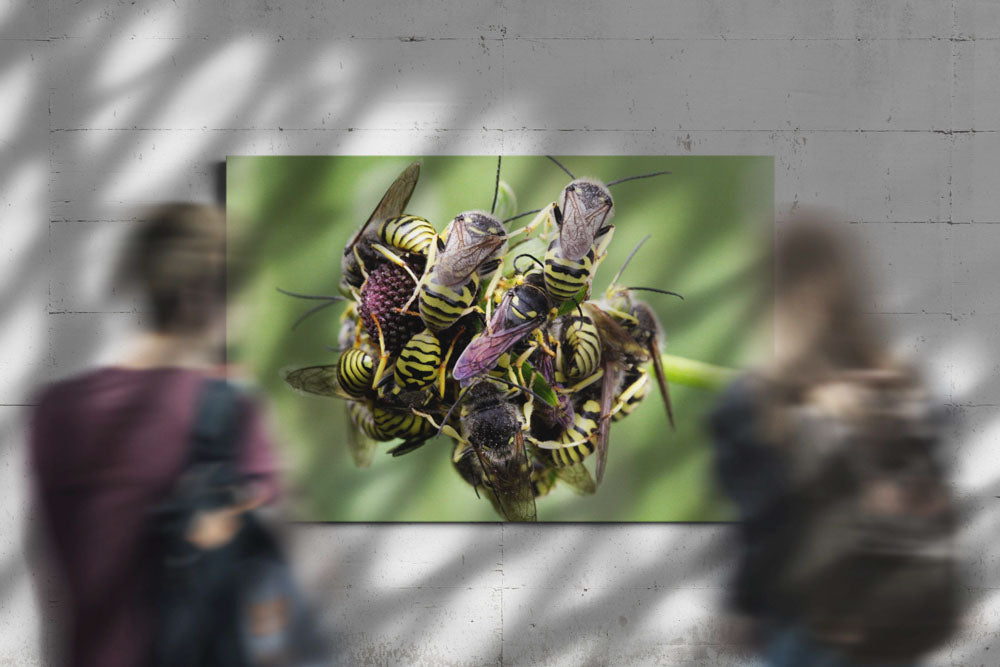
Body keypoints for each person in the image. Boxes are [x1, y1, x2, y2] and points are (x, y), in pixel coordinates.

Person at [30, 204, 279, 667]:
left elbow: (56, 581)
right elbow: (260, 585)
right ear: (203, 297)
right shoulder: (228, 413)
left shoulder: (55, 411)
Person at [710, 214, 958, 666]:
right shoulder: (904, 388)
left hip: (806, 625)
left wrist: (743, 606)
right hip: (893, 619)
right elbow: (940, 499)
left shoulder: (758, 401)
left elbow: (763, 527)